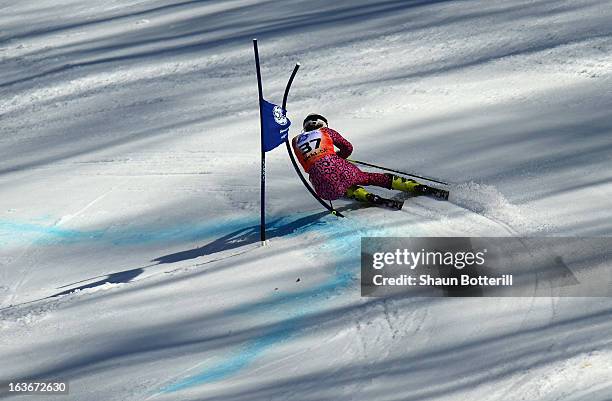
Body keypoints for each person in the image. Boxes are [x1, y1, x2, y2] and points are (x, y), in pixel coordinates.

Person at [292, 113, 440, 204]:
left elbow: (310, 162)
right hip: (340, 167)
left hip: (322, 186)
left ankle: (365, 196)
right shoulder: (325, 131)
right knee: (368, 178)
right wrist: (337, 158)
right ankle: (412, 186)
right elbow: (348, 148)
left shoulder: (295, 141)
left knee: (334, 185)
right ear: (323, 124)